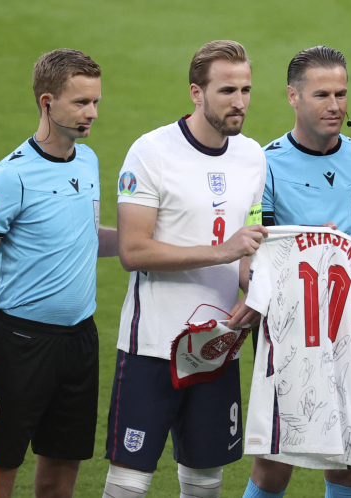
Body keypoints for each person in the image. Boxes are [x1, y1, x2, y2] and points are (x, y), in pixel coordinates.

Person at [100, 40, 268, 498]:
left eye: (246, 89)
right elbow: (134, 251)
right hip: (153, 345)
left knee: (204, 480)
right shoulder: (151, 153)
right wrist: (222, 251)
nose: (239, 102)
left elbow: (249, 245)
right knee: (129, 483)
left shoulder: (252, 156)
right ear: (196, 92)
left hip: (217, 345)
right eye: (227, 90)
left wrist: (254, 291)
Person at [0, 48, 117, 498]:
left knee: (63, 470)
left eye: (96, 102)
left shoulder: (88, 162)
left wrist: (156, 242)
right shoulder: (10, 177)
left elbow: (85, 237)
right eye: (81, 103)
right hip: (20, 345)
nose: (93, 114)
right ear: (47, 102)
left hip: (79, 342)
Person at [241, 46, 351, 498]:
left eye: (341, 93)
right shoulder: (264, 165)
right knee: (274, 465)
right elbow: (250, 259)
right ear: (292, 96)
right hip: (291, 335)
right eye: (322, 94)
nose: (335, 105)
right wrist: (312, 246)